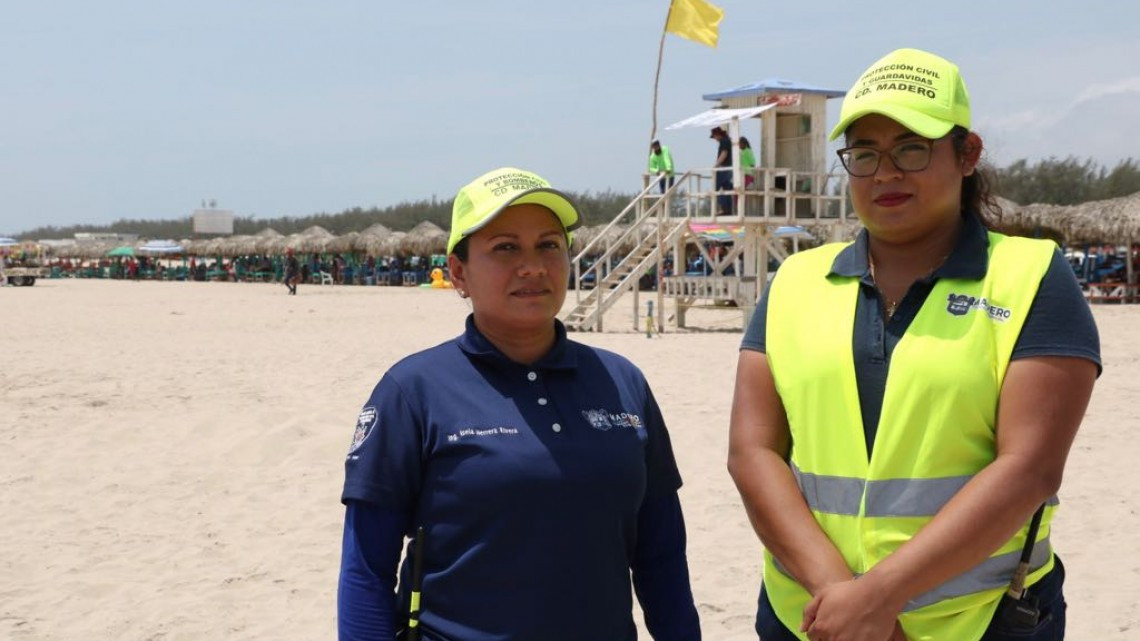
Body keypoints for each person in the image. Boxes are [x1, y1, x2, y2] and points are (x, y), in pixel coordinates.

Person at [727, 48, 1100, 641]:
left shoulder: (1032, 277)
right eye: (865, 154)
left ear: (967, 154)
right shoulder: (796, 281)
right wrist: (841, 598)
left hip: (976, 619)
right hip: (812, 616)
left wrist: (881, 597)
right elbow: (753, 452)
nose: (886, 173)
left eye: (911, 148)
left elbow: (1029, 468)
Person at [338, 166, 702, 641]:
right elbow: (366, 570)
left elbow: (663, 556)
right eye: (505, 247)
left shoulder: (622, 382)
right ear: (459, 272)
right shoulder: (413, 391)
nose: (533, 266)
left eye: (549, 245)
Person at [710, 126, 733, 215]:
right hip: (729, 168)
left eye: (714, 136)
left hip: (724, 168)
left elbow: (724, 153)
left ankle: (724, 208)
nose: (715, 139)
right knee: (727, 189)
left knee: (716, 187)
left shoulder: (724, 141)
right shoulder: (728, 140)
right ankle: (728, 210)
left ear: (717, 135)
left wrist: (716, 166)